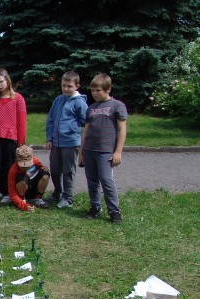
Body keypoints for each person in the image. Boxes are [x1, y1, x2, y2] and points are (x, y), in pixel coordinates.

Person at [79, 73, 128, 224]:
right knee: (92, 181)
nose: (94, 93)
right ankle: (95, 207)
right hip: (89, 150)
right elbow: (85, 131)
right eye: (92, 90)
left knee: (106, 180)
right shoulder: (91, 108)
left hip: (106, 151)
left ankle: (114, 210)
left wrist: (118, 151)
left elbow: (122, 129)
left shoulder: (117, 106)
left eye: (98, 90)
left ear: (108, 89)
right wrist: (81, 153)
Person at [0, 68, 27, 205]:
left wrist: (21, 140)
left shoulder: (17, 98)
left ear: (7, 81)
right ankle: (1, 190)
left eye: (1, 81)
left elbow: (22, 120)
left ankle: (10, 192)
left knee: (9, 166)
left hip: (10, 138)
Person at [46, 70, 88, 208]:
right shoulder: (58, 100)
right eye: (63, 85)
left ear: (77, 86)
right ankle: (57, 192)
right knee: (55, 169)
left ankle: (68, 197)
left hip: (70, 142)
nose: (65, 88)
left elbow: (86, 121)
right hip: (56, 142)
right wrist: (49, 138)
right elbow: (51, 120)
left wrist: (72, 128)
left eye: (69, 86)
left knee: (68, 170)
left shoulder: (79, 103)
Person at [8, 145, 50, 211]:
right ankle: (22, 199)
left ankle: (38, 198)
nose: (25, 167)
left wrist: (43, 168)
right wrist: (23, 206)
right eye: (23, 165)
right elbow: (12, 192)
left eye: (27, 165)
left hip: (34, 188)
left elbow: (40, 166)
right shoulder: (13, 169)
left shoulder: (35, 160)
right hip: (22, 189)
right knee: (22, 177)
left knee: (45, 174)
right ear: (16, 161)